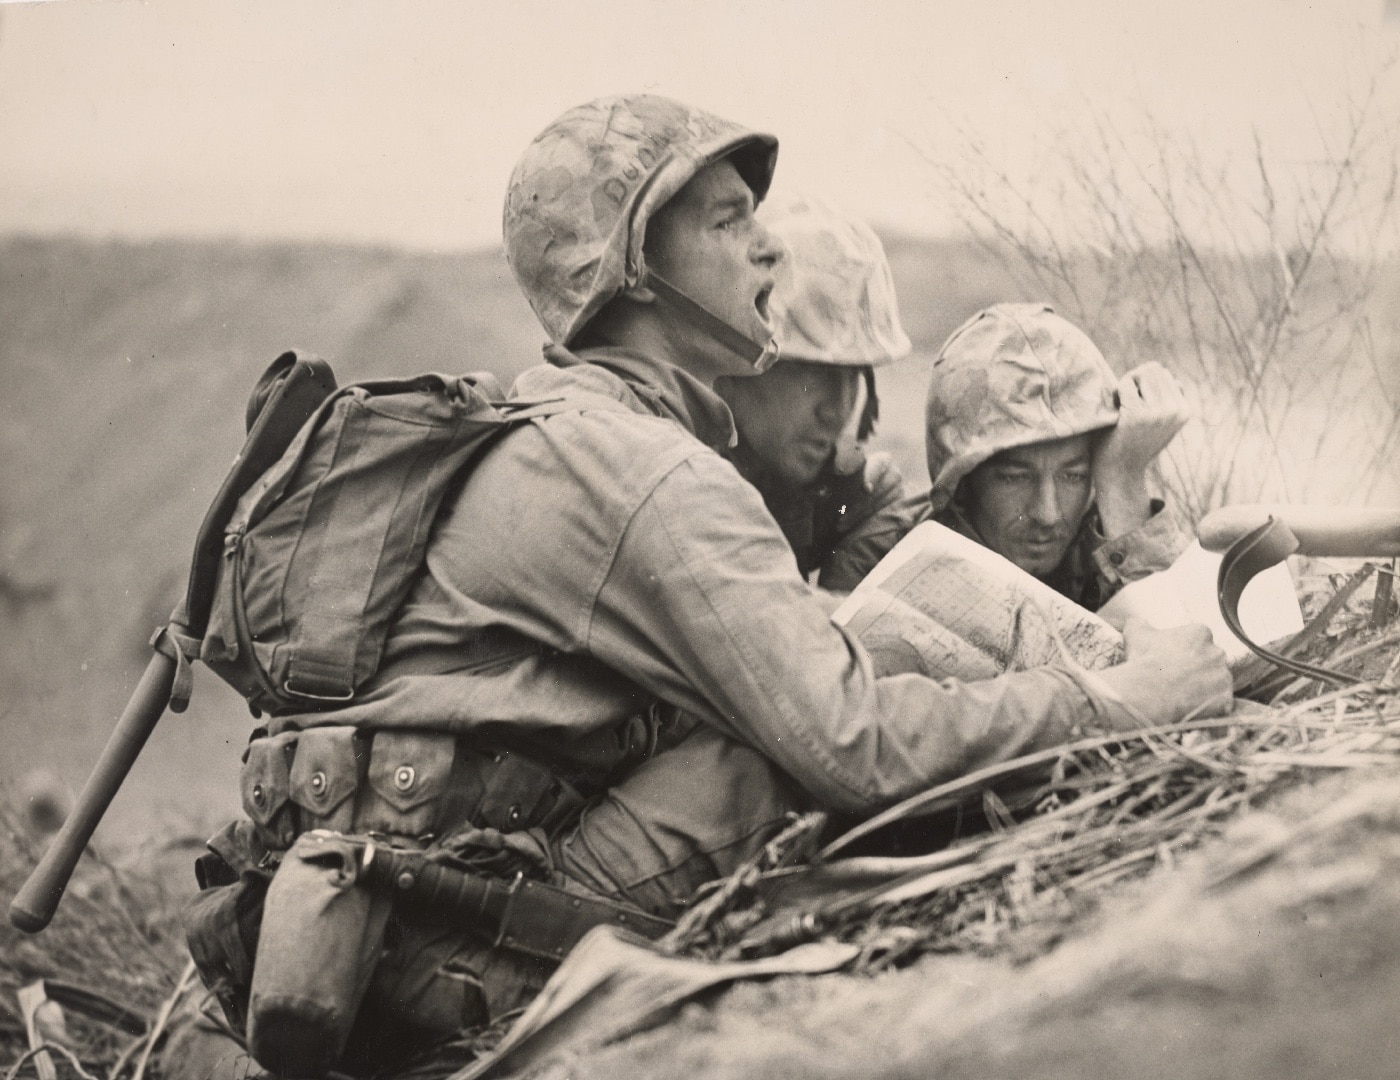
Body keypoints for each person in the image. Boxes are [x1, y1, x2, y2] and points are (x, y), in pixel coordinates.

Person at [181, 95, 1232, 1077]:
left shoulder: (559, 427)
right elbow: (852, 747)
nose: (769, 246)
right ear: (636, 269)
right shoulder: (653, 475)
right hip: (457, 951)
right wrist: (1112, 704)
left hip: (405, 916)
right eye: (729, 223)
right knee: (812, 737)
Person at [922, 302, 1194, 610]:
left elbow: (1187, 643)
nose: (1048, 514)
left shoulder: (1098, 557)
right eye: (1015, 478)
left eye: (1073, 476)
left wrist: (1122, 480)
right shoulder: (892, 561)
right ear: (961, 485)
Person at [715, 196, 921, 591]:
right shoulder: (681, 480)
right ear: (736, 359)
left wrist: (848, 584)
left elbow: (868, 498)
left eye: (854, 374)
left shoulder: (834, 490)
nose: (838, 409)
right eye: (810, 373)